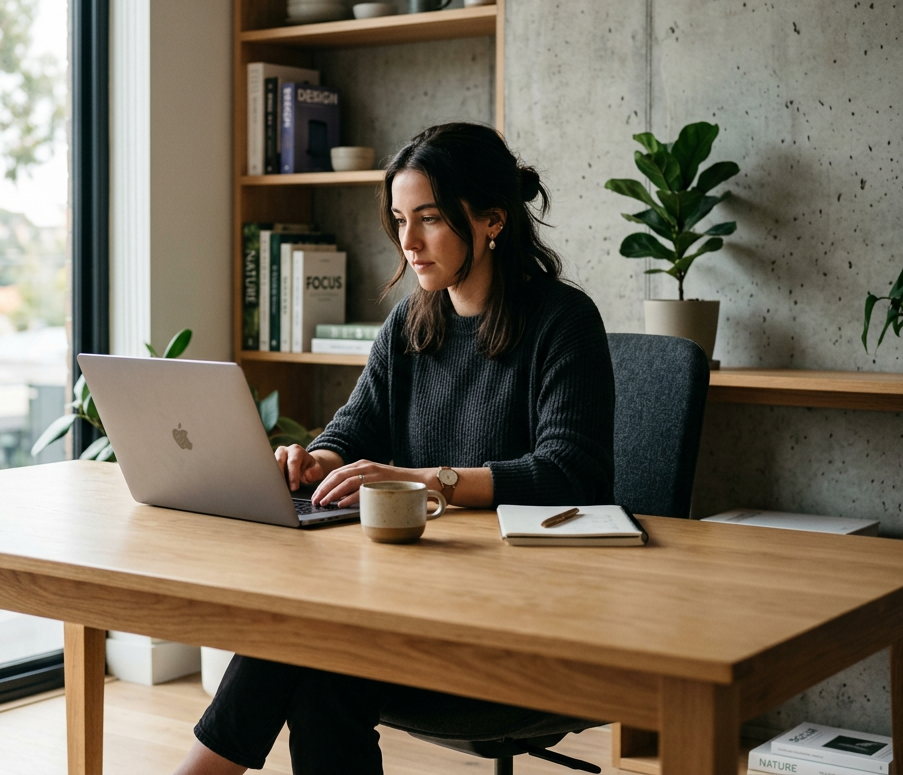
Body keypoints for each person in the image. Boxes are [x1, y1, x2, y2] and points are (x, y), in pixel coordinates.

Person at [175, 122, 615, 775]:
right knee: (312, 659)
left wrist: (423, 482)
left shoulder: (564, 321)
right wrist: (316, 462)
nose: (408, 242)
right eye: (401, 220)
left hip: (526, 616)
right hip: (416, 598)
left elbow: (569, 475)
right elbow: (354, 430)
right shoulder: (411, 321)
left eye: (429, 219)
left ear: (493, 219)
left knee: (305, 643)